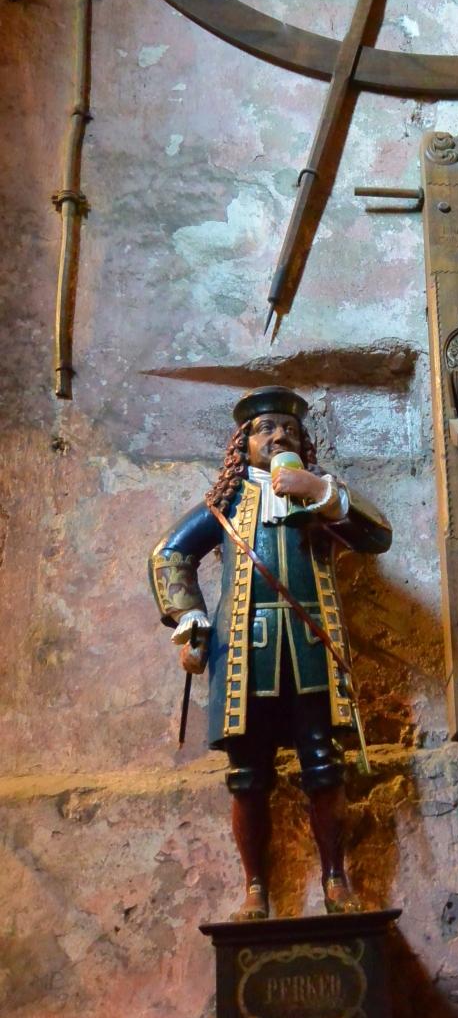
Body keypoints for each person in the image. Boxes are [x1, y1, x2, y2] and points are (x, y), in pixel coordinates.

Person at [148, 385, 392, 920]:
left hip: (310, 645)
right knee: (247, 772)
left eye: (289, 430)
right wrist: (189, 617)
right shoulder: (228, 502)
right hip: (244, 651)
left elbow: (377, 535)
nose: (279, 436)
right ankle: (255, 888)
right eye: (266, 429)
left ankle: (335, 879)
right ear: (244, 443)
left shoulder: (319, 496)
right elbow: (170, 553)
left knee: (324, 765)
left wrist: (323, 493)